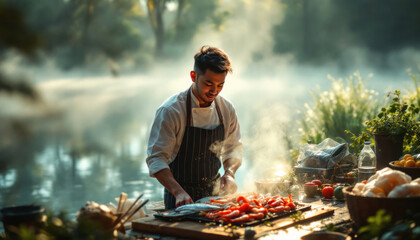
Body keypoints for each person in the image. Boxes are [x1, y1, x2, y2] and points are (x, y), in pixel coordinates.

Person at [146, 46, 242, 209]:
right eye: (208, 83)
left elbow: (233, 147)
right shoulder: (171, 110)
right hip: (180, 199)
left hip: (215, 197)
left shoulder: (226, 108)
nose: (214, 91)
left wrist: (229, 173)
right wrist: (178, 192)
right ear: (193, 76)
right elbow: (156, 158)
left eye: (220, 85)